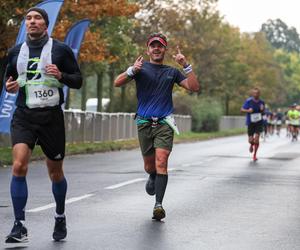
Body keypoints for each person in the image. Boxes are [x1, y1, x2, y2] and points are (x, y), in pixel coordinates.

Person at [4, 8, 82, 244]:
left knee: (55, 172)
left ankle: (59, 216)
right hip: (24, 115)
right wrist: (10, 86)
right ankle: (19, 225)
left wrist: (61, 76)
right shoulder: (16, 52)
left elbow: (77, 79)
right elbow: (9, 78)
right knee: (18, 165)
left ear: (45, 25)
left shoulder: (61, 50)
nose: (32, 22)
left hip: (51, 117)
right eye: (28, 18)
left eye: (37, 18)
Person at [114, 33, 199, 220]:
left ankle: (158, 205)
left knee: (162, 161)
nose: (156, 48)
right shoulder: (140, 68)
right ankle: (152, 175)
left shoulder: (172, 72)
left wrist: (185, 65)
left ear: (164, 49)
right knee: (149, 165)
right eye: (153, 46)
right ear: (148, 50)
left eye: (160, 46)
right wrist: (131, 71)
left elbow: (194, 87)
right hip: (144, 122)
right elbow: (117, 83)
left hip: (164, 122)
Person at [241, 88, 265, 161]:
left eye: (257, 93)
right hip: (250, 122)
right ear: (252, 94)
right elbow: (241, 109)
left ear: (259, 94)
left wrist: (262, 109)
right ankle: (252, 144)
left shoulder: (262, 102)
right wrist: (248, 110)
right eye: (254, 93)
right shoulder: (249, 101)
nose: (255, 94)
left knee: (257, 139)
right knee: (251, 140)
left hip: (259, 122)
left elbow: (263, 112)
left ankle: (254, 155)